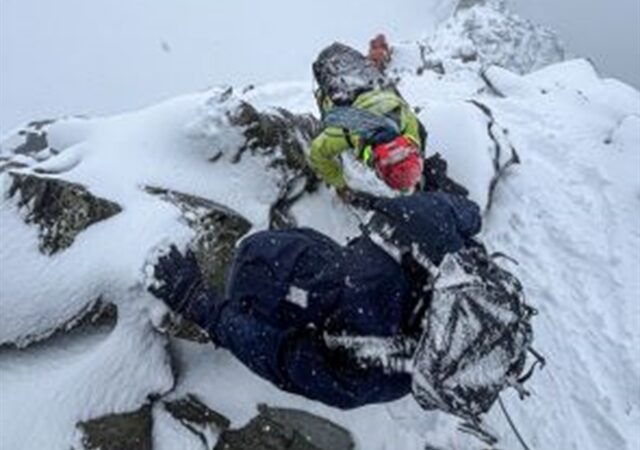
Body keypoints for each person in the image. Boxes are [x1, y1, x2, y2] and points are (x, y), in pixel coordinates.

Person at [149, 192, 482, 409]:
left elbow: (279, 355)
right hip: (291, 282)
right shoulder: (390, 368)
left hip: (284, 279)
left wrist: (200, 305)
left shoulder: (367, 358)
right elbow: (282, 357)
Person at [309, 43, 426, 200]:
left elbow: (416, 132)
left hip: (361, 74)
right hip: (335, 74)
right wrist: (340, 184)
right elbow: (317, 153)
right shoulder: (344, 131)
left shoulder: (403, 117)